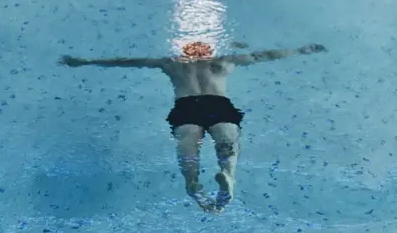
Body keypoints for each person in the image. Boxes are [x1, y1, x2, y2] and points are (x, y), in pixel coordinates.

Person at [59, 40, 327, 213]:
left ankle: (195, 182)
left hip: (187, 105)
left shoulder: (172, 63)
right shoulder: (222, 60)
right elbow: (265, 54)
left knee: (189, 143)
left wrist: (85, 61)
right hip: (216, 103)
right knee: (225, 140)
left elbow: (127, 62)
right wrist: (301, 50)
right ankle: (226, 175)